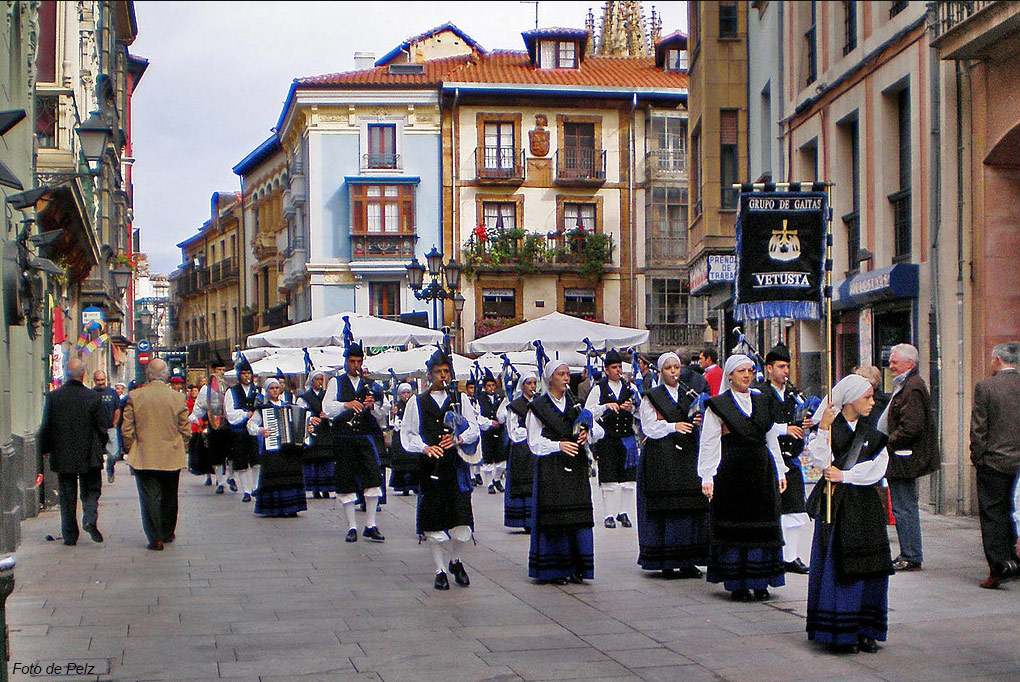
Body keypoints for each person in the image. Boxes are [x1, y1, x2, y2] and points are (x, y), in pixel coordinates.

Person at [806, 374, 893, 654]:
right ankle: (840, 631)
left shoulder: (872, 432)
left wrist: (847, 475)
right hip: (838, 506)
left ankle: (867, 630)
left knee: (871, 566)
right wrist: (823, 429)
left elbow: (879, 467)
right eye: (867, 397)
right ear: (851, 400)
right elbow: (820, 461)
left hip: (865, 504)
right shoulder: (831, 429)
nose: (872, 402)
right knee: (841, 568)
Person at [698, 354, 788, 601]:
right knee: (736, 526)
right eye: (741, 371)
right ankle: (738, 583)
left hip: (761, 470)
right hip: (731, 471)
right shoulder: (718, 405)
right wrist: (707, 475)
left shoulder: (762, 401)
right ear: (730, 375)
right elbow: (709, 442)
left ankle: (760, 581)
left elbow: (771, 438)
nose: (747, 375)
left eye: (750, 370)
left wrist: (780, 470)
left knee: (762, 525)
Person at [400, 348, 480, 590]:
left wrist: (458, 439)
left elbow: (474, 428)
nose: (443, 376)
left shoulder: (460, 400)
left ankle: (455, 561)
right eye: (438, 372)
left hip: (455, 468)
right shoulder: (417, 401)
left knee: (462, 522)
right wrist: (425, 447)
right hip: (431, 468)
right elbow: (408, 433)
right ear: (429, 374)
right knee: (434, 522)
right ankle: (440, 570)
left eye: (446, 371)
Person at [527, 360, 605, 584]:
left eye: (567, 374)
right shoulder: (538, 407)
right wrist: (558, 445)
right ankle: (555, 569)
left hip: (576, 468)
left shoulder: (576, 404)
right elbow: (533, 442)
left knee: (577, 517)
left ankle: (577, 567)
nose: (566, 378)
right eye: (561, 374)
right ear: (550, 378)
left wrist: (587, 433)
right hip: (551, 468)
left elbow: (599, 431)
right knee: (556, 517)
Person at [637, 352, 709, 579]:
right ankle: (666, 561)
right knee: (667, 508)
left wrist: (697, 420)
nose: (673, 372)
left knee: (688, 507)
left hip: (687, 456)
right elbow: (649, 427)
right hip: (662, 457)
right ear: (661, 371)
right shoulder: (652, 396)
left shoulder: (689, 393)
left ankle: (688, 560)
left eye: (676, 367)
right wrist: (673, 426)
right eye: (668, 368)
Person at [876, 343, 938, 572]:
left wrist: (888, 442)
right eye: (890, 361)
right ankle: (909, 553)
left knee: (904, 508)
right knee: (903, 506)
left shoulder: (912, 388)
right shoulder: (906, 385)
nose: (890, 366)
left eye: (895, 362)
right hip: (901, 456)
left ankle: (910, 555)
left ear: (909, 364)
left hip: (904, 458)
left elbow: (912, 427)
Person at [121, 359, 191, 550]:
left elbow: (126, 429)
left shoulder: (135, 396)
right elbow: (185, 428)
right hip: (171, 454)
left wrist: (131, 447)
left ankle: (155, 537)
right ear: (166, 375)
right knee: (170, 495)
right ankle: (167, 531)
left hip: (145, 455)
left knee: (149, 497)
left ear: (148, 374)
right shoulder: (177, 397)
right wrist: (181, 443)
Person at [755, 343, 813, 575]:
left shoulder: (792, 394)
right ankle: (774, 556)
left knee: (795, 510)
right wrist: (784, 429)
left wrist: (805, 423)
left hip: (792, 459)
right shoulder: (760, 393)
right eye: (781, 366)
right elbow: (760, 423)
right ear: (769, 368)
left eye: (787, 366)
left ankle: (791, 557)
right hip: (769, 459)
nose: (786, 371)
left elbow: (797, 420)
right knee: (774, 512)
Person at [38, 358, 109, 546]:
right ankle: (90, 518)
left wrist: (45, 449)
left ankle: (70, 534)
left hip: (64, 452)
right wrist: (102, 446)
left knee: (67, 493)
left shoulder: (54, 397)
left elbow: (46, 426)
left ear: (66, 374)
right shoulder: (93, 397)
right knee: (91, 488)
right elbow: (102, 427)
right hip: (89, 451)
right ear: (83, 374)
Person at [969, 341, 1020, 589]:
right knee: (1014, 512)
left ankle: (999, 567)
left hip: (995, 461)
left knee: (993, 515)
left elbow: (979, 426)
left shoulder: (986, 387)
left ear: (998, 360)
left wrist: (977, 457)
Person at [323, 342, 385, 543]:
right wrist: (346, 405)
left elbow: (383, 413)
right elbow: (327, 409)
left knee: (373, 478)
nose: (355, 365)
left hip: (365, 437)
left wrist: (373, 406)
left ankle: (371, 525)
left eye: (358, 361)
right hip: (344, 438)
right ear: (346, 361)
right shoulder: (336, 382)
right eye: (352, 361)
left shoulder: (371, 385)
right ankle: (352, 527)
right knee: (346, 481)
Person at [585, 348, 638, 529]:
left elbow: (641, 410)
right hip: (607, 439)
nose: (618, 370)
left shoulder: (630, 388)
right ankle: (609, 514)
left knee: (628, 480)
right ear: (606, 370)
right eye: (614, 367)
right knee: (609, 478)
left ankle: (623, 512)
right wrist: (605, 406)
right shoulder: (598, 389)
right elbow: (587, 412)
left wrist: (632, 408)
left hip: (627, 438)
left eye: (619, 367)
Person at [248, 378, 308, 518]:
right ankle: (275, 508)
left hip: (289, 449)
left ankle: (292, 507)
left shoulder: (288, 405)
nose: (275, 390)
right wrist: (260, 430)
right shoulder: (263, 409)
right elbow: (250, 425)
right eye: (272, 388)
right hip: (273, 448)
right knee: (274, 477)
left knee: (291, 475)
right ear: (267, 391)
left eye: (276, 388)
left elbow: (300, 422)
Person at [502, 371, 538, 532]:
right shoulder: (515, 406)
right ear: (522, 386)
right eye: (529, 383)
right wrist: (531, 431)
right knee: (523, 483)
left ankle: (536, 519)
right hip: (521, 450)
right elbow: (513, 432)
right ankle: (524, 520)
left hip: (537, 449)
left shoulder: (540, 402)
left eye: (534, 383)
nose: (532, 386)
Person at [224, 357, 262, 502]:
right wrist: (246, 414)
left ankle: (255, 487)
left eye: (249, 373)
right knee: (241, 463)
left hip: (254, 432)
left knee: (256, 461)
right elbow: (230, 412)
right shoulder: (232, 391)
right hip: (239, 432)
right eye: (244, 373)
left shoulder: (258, 391)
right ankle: (246, 491)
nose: (247, 376)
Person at [190, 368, 233, 493]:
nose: (221, 372)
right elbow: (199, 407)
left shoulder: (230, 386)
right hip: (214, 425)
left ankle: (230, 477)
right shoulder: (206, 389)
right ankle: (221, 482)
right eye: (219, 370)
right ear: (214, 371)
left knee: (231, 454)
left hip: (229, 424)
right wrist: (197, 417)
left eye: (223, 370)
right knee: (216, 455)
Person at [296, 370, 336, 500]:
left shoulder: (327, 396)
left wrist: (328, 415)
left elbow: (333, 410)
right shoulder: (304, 397)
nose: (319, 382)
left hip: (325, 431)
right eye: (317, 379)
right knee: (313, 460)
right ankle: (315, 489)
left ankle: (326, 488)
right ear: (311, 381)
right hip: (312, 432)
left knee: (326, 460)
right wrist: (311, 418)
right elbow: (300, 413)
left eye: (321, 379)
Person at [477, 369, 508, 495]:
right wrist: (490, 423)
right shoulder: (480, 399)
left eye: (493, 385)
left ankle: (497, 480)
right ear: (484, 387)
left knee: (501, 459)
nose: (491, 388)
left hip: (499, 432)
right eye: (488, 386)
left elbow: (505, 411)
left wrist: (501, 419)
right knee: (488, 459)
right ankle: (490, 483)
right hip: (487, 433)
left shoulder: (501, 398)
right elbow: (477, 416)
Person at [388, 383, 420, 496]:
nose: (406, 395)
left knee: (413, 461)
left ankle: (415, 485)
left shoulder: (414, 404)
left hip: (410, 434)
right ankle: (403, 486)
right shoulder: (397, 405)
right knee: (402, 462)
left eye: (408, 392)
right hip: (399, 437)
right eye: (403, 393)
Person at [93, 370, 121, 484]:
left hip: (110, 428)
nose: (100, 382)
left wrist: (114, 423)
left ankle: (110, 470)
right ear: (94, 381)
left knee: (113, 454)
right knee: (96, 455)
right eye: (98, 380)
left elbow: (117, 409)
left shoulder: (112, 393)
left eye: (102, 380)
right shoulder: (92, 393)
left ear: (105, 379)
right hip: (96, 429)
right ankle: (97, 478)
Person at [463, 381, 483, 486]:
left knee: (479, 452)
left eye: (474, 388)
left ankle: (477, 473)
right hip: (470, 428)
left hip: (479, 428)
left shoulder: (478, 400)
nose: (473, 390)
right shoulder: (465, 400)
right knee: (470, 452)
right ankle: (471, 476)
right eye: (470, 388)